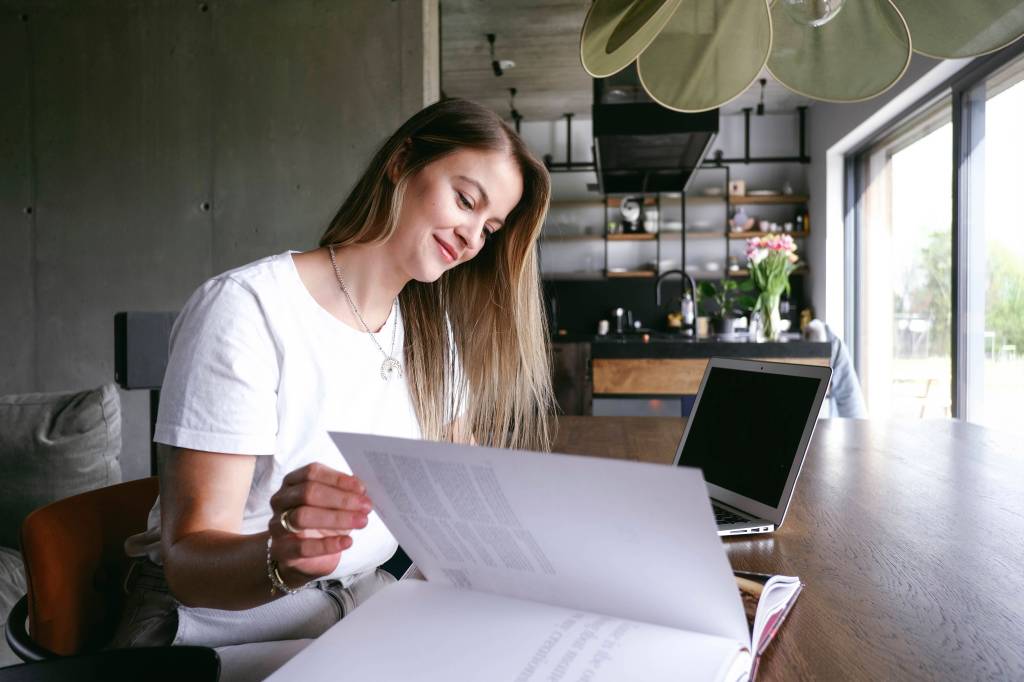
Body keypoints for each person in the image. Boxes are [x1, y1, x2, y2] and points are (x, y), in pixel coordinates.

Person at [111, 98, 555, 654]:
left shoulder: (433, 338)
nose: (471, 237)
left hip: (352, 609)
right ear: (401, 163)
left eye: (489, 228)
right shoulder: (247, 310)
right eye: (465, 200)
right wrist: (283, 555)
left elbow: (453, 511)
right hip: (212, 629)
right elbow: (189, 565)